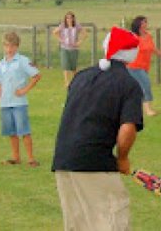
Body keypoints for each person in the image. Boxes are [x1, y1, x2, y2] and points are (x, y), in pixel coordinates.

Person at [52, 26, 143, 231]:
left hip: (63, 159)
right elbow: (127, 128)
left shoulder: (81, 76)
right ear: (131, 54)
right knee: (111, 219)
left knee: (78, 223)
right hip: (94, 162)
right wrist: (122, 159)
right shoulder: (128, 84)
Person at [0, 32, 41, 166]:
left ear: (17, 47)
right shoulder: (1, 64)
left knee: (24, 130)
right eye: (6, 46)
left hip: (19, 103)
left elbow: (36, 76)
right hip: (5, 103)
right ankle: (16, 157)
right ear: (3, 47)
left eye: (12, 46)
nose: (9, 49)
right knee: (11, 132)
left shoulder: (23, 61)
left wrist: (24, 90)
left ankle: (31, 158)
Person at [127, 16, 161, 116]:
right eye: (143, 22)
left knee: (136, 88)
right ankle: (148, 110)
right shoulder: (133, 37)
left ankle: (131, 108)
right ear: (138, 25)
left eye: (146, 22)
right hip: (134, 66)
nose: (146, 24)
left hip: (145, 66)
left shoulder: (148, 36)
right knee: (146, 85)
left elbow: (152, 48)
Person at [52, 11, 87, 87]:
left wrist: (79, 42)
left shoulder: (77, 26)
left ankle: (74, 80)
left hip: (74, 48)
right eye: (67, 18)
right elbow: (55, 32)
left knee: (73, 66)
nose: (69, 19)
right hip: (65, 48)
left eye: (71, 18)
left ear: (73, 18)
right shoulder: (63, 26)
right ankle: (67, 82)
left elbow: (85, 33)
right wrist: (61, 40)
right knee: (65, 65)